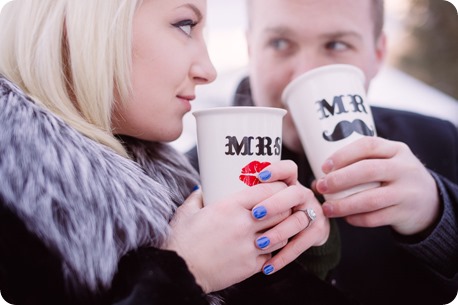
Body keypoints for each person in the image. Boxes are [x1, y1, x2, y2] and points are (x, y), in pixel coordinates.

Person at [0, 0, 361, 305]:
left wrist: (292, 262)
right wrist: (182, 270)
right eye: (185, 24)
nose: (209, 70)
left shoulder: (167, 181)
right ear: (85, 24)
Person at [192, 0, 458, 304]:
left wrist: (438, 217)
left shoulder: (439, 141)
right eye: (279, 43)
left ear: (378, 53)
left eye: (336, 44)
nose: (304, 71)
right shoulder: (186, 180)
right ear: (251, 50)